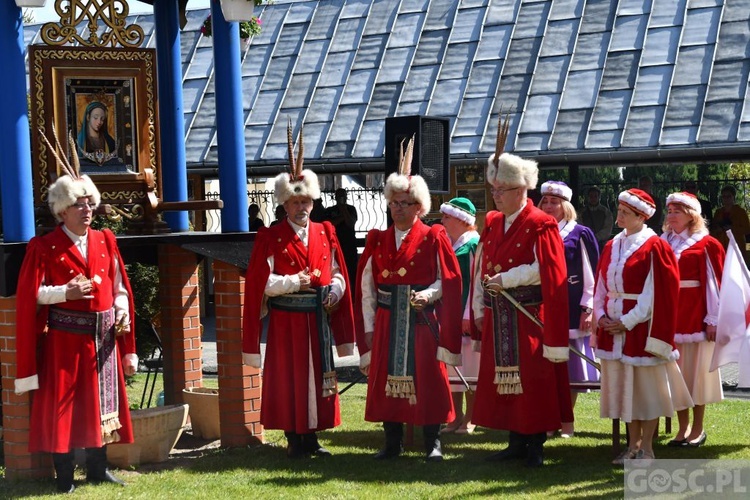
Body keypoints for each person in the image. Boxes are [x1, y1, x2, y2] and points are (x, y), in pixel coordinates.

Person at [14, 172, 136, 493]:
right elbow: (32, 294)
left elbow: (119, 284)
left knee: (100, 403)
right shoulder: (44, 246)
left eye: (89, 204)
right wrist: (63, 293)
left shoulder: (105, 239)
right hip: (64, 342)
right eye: (78, 205)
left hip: (103, 340)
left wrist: (121, 311)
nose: (86, 210)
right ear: (61, 211)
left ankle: (98, 469)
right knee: (63, 408)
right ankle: (64, 477)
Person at [242, 126, 355, 458]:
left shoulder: (326, 231)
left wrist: (335, 291)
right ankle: (294, 438)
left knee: (319, 375)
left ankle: (314, 437)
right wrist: (294, 282)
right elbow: (260, 282)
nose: (301, 207)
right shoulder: (270, 236)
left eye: (305, 201)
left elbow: (338, 272)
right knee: (289, 378)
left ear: (312, 201)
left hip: (316, 319)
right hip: (286, 321)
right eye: (294, 202)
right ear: (284, 204)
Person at [354, 137, 462, 462]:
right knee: (387, 379)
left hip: (422, 319)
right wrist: (370, 329)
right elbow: (367, 288)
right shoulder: (378, 239)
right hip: (389, 321)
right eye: (394, 203)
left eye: (405, 203)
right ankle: (392, 443)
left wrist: (429, 294)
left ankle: (433, 442)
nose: (398, 208)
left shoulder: (434, 237)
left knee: (428, 379)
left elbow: (450, 278)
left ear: (419, 207)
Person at [471, 152, 571, 467]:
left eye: (502, 190)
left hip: (529, 313)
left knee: (534, 379)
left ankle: (536, 444)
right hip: (499, 309)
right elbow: (482, 263)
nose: (495, 196)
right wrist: (478, 302)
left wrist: (508, 278)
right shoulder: (494, 221)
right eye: (494, 190)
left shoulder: (542, 223)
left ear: (520, 190)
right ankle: (515, 440)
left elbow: (547, 267)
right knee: (505, 378)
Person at [593, 188, 693, 465]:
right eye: (619, 211)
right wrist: (600, 315)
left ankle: (647, 449)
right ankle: (632, 447)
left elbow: (655, 294)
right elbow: (601, 284)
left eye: (625, 212)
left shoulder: (655, 245)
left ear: (641, 216)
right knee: (626, 393)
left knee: (645, 393)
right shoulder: (612, 244)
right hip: (613, 330)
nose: (619, 216)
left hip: (641, 331)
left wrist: (625, 323)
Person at [662, 192, 724, 448]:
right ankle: (682, 428)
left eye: (677, 210)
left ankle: (698, 428)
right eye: (669, 210)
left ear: (691, 215)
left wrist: (713, 319)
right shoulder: (662, 241)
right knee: (676, 376)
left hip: (696, 315)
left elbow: (716, 284)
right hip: (670, 315)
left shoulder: (707, 244)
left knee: (696, 376)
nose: (671, 215)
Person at [539, 181, 600, 438]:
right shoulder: (538, 231)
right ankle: (551, 418)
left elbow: (591, 272)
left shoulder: (579, 233)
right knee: (547, 366)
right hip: (543, 305)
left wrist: (588, 307)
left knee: (570, 366)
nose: (549, 206)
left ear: (565, 206)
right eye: (545, 202)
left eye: (554, 202)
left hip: (572, 305)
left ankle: (567, 420)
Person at [438, 197, 481, 435]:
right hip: (447, 313)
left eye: (447, 216)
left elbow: (476, 282)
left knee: (470, 366)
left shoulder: (473, 244)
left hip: (465, 313)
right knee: (452, 365)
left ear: (462, 220)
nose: (442, 220)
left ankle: (471, 418)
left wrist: (468, 314)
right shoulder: (448, 243)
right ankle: (455, 417)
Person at [710, 185, 750, 265]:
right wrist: (718, 230)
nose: (726, 199)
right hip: (721, 246)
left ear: (733, 197)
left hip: (736, 246)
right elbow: (713, 229)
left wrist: (732, 228)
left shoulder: (740, 212)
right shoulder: (718, 212)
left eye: (729, 196)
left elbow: (747, 229)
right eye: (724, 196)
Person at [325, 188, 359, 279]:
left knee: (351, 271)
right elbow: (329, 224)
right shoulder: (330, 210)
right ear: (335, 197)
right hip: (335, 244)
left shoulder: (351, 209)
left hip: (349, 244)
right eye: (339, 196)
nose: (341, 198)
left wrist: (344, 210)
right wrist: (341, 218)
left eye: (343, 196)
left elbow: (350, 223)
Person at [77, 101, 118, 166]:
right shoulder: (79, 140)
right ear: (88, 117)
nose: (99, 122)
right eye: (95, 118)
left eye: (102, 119)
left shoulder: (109, 141)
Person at [580, 186, 614, 251]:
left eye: (595, 196)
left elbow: (607, 229)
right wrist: (587, 237)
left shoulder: (606, 212)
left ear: (599, 197)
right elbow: (579, 225)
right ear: (588, 197)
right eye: (591, 196)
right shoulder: (582, 212)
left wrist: (596, 237)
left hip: (601, 245)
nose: (593, 198)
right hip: (585, 244)